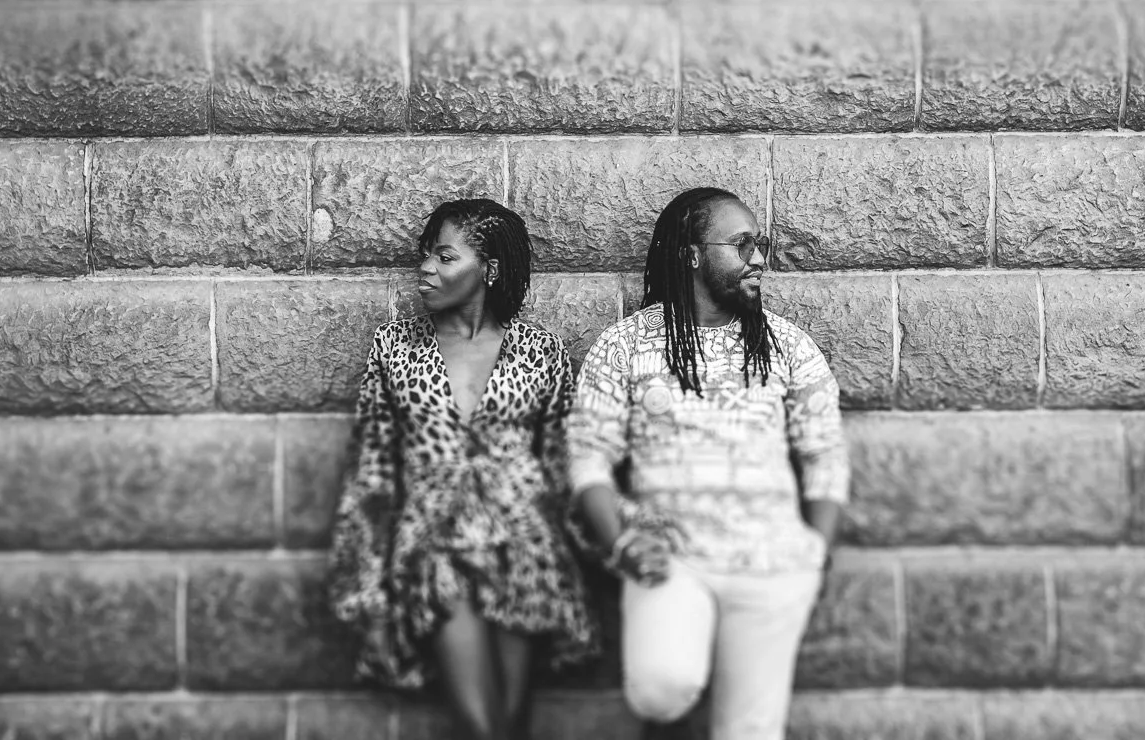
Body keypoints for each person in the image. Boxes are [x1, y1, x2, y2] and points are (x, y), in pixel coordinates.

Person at [569, 187, 849, 740]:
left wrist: (815, 551)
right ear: (692, 255)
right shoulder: (626, 344)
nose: (760, 259)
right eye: (742, 245)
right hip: (673, 559)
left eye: (761, 245)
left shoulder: (787, 345)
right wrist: (619, 542)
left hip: (771, 565)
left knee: (750, 731)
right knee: (661, 687)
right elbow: (589, 457)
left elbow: (824, 453)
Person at [328, 197, 599, 740]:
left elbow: (564, 465)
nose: (426, 269)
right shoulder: (396, 346)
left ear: (488, 270)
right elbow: (373, 475)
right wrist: (369, 599)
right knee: (480, 727)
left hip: (525, 551)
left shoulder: (539, 349)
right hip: (436, 550)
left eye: (445, 257)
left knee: (513, 723)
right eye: (425, 255)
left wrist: (609, 553)